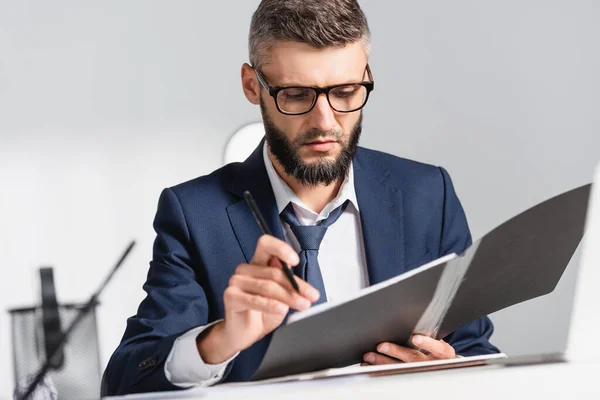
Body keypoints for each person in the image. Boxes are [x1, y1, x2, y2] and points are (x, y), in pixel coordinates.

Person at [103, 0, 499, 395]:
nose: (325, 122)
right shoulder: (194, 214)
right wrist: (220, 340)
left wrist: (452, 373)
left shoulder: (428, 194)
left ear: (367, 77)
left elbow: (476, 352)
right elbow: (123, 381)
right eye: (295, 95)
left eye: (345, 92)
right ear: (251, 85)